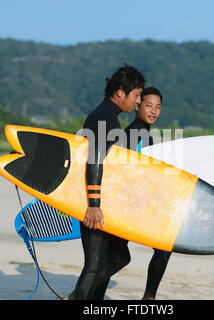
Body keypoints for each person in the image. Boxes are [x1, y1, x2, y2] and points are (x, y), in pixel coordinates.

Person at [67, 64, 145, 300]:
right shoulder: (105, 118)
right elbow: (94, 161)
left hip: (98, 199)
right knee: (95, 265)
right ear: (120, 92)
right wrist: (93, 204)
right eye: (136, 95)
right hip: (92, 201)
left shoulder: (105, 116)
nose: (138, 102)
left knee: (117, 256)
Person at [123, 87, 170, 300]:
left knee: (162, 247)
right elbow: (127, 173)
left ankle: (149, 297)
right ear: (137, 105)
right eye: (149, 105)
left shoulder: (144, 134)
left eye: (158, 107)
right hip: (129, 205)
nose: (153, 111)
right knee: (115, 255)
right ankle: (149, 297)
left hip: (137, 202)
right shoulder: (133, 134)